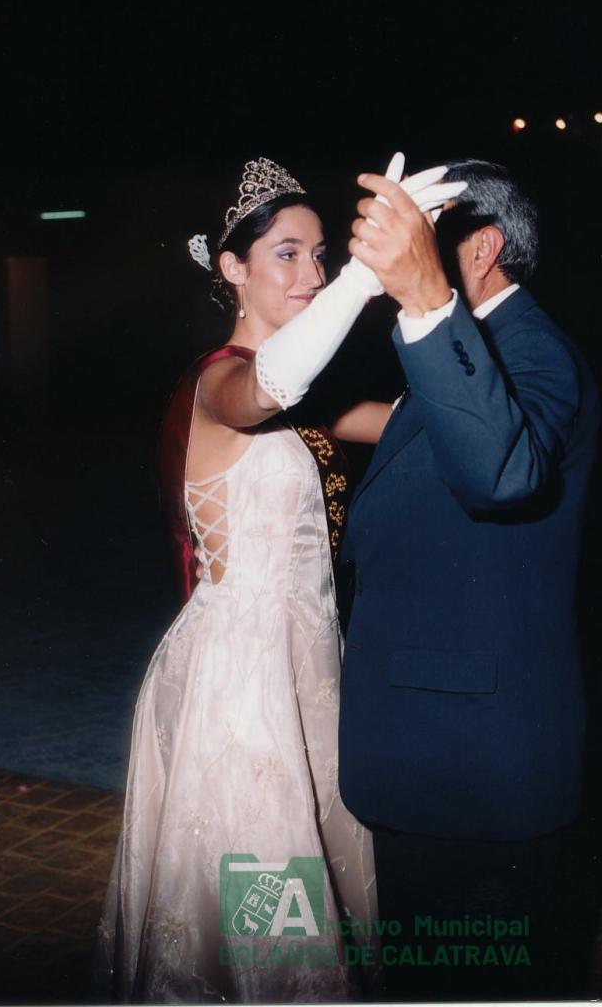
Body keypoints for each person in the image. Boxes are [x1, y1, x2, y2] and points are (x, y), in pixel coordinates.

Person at [92, 155, 464, 1003]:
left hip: (311, 668)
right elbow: (273, 381)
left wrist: (451, 311)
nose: (312, 272)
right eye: (287, 254)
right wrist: (365, 278)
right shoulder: (220, 383)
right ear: (232, 268)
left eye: (322, 254)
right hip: (242, 681)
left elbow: (423, 424)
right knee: (269, 918)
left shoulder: (306, 399)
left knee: (315, 889)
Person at [337, 159, 600, 1000]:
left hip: (473, 768)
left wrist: (425, 300)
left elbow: (499, 475)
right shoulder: (473, 348)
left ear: (481, 248)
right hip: (434, 752)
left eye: (427, 233)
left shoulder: (534, 353)